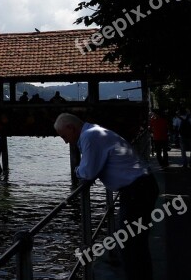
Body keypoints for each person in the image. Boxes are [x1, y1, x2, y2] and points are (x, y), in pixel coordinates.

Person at [54, 113, 158, 280]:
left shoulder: (90, 136)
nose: (65, 141)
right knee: (136, 243)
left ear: (71, 128)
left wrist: (77, 170)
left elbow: (87, 172)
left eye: (64, 136)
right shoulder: (95, 132)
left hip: (136, 190)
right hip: (140, 187)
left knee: (129, 244)